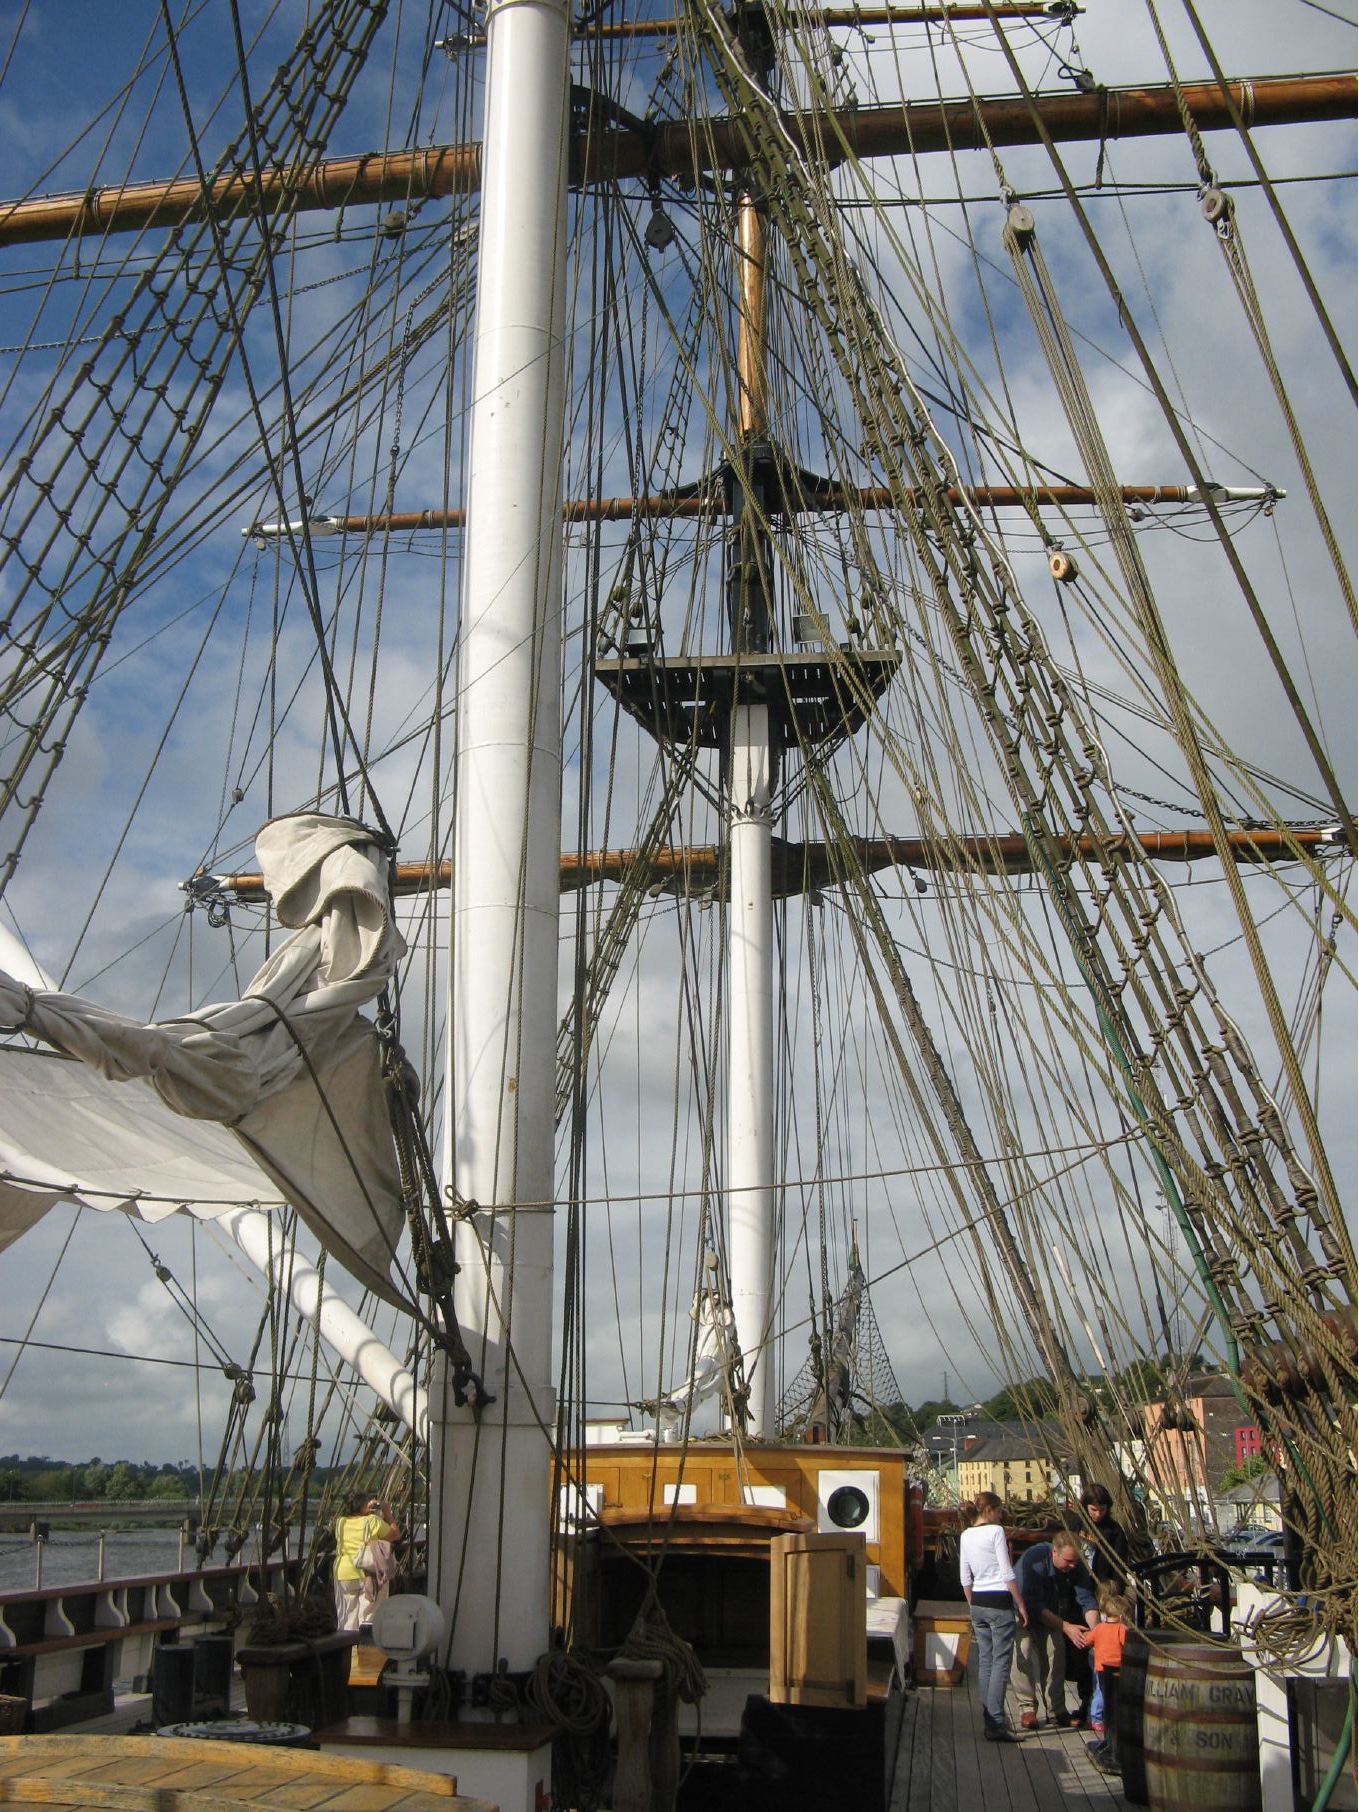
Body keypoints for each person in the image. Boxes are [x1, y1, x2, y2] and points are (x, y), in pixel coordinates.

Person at [958, 1491, 1028, 1743]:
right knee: (1001, 1662)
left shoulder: (966, 1535)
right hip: (999, 1600)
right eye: (999, 1511)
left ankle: (990, 1717)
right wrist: (1021, 1604)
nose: (1000, 1516)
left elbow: (964, 1578)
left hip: (978, 1601)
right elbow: (1007, 1572)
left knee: (985, 1660)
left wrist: (972, 1604)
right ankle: (997, 1721)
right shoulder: (996, 1532)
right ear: (989, 1511)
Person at [1014, 1530, 1098, 1729]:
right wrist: (1066, 1626)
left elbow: (1087, 1601)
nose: (1072, 1566)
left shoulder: (1076, 1565)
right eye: (1068, 1561)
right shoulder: (1035, 1559)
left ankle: (1057, 1710)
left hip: (1050, 1611)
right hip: (1021, 1611)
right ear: (1054, 1552)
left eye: (1075, 1561)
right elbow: (1033, 1606)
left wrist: (1097, 1633)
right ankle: (1027, 1708)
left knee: (1057, 1650)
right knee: (1023, 1650)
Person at [1079, 1484, 1129, 1735]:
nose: (1097, 1514)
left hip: (1104, 1593)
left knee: (1099, 1651)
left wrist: (1113, 1596)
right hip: (1080, 1591)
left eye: (1101, 1510)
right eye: (1093, 1510)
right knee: (1082, 1656)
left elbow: (1120, 1565)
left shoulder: (1114, 1531)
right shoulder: (1078, 1527)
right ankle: (1086, 1704)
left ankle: (1096, 1709)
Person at [333, 1490, 400, 1634]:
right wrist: (387, 1513)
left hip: (344, 1573)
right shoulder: (372, 1521)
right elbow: (395, 1534)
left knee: (347, 1621)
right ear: (363, 1505)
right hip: (368, 1573)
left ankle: (349, 1648)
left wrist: (365, 1510)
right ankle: (366, 1648)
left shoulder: (340, 1522)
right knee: (368, 1619)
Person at [1085, 1588, 1131, 1777]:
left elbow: (1088, 1640)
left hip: (1101, 1668)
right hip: (1118, 1670)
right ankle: (1113, 1739)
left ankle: (1097, 1720)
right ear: (1122, 1615)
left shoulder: (1099, 1628)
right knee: (1115, 1701)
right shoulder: (1121, 1629)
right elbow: (1128, 1644)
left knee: (1102, 1695)